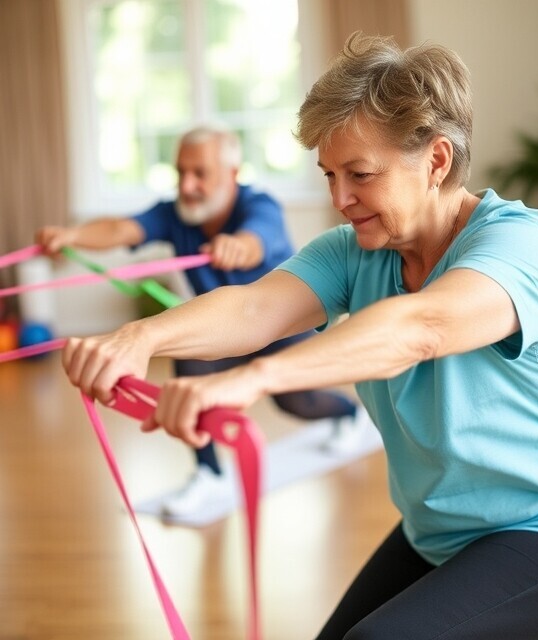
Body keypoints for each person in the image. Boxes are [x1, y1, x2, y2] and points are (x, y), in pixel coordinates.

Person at [61, 33, 538, 639]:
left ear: (436, 161)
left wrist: (254, 380)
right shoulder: (355, 253)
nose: (339, 199)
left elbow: (419, 329)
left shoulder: (515, 244)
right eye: (329, 175)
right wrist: (138, 338)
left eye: (360, 174)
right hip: (443, 529)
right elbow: (254, 308)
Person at [36, 125, 370, 521]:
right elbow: (120, 229)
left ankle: (349, 415)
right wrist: (70, 234)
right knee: (188, 374)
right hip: (223, 333)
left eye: (200, 174)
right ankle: (208, 472)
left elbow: (257, 238)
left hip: (280, 329)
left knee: (296, 401)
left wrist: (239, 246)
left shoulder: (259, 205)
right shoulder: (174, 212)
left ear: (231, 175)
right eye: (181, 173)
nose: (188, 185)